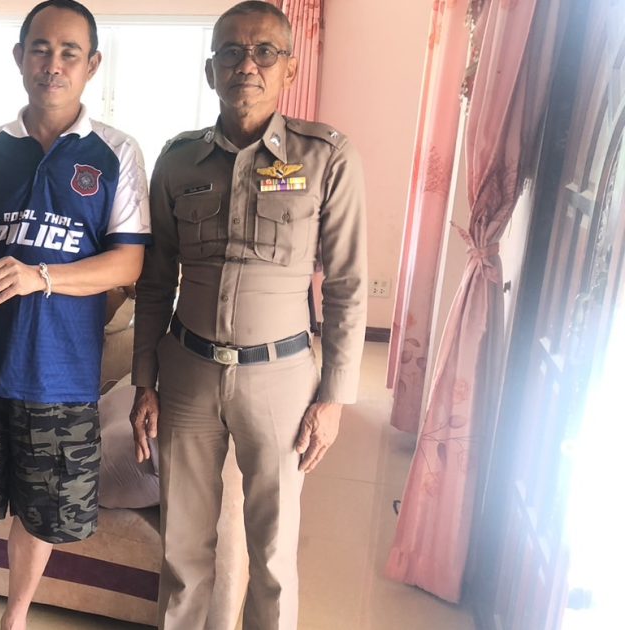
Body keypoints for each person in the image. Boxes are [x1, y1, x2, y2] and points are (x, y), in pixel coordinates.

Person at [130, 2, 368, 629]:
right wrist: (144, 381)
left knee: (274, 554)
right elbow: (155, 279)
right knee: (182, 550)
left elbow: (346, 285)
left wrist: (334, 398)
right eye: (231, 52)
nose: (247, 65)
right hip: (187, 373)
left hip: (281, 378)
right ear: (211, 70)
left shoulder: (326, 157)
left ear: (290, 68)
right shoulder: (177, 160)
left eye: (265, 52)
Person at [0, 2, 151, 628]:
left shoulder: (116, 152)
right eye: (41, 49)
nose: (53, 64)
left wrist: (39, 276)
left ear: (92, 64)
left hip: (62, 370)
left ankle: (14, 616)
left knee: (42, 511)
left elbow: (128, 263)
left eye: (70, 52)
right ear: (20, 57)